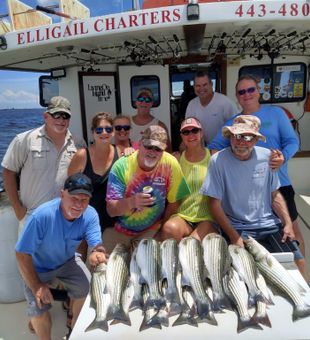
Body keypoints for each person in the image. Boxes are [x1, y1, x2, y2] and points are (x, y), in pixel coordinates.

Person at [208, 74, 306, 260]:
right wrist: (221, 165)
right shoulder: (233, 123)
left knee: (293, 233)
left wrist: (283, 157)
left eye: (251, 89)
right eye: (241, 91)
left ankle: (304, 282)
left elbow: (292, 141)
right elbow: (213, 148)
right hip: (251, 188)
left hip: (280, 184)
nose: (247, 94)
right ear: (237, 97)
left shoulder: (276, 113)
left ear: (259, 91)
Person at [201, 115, 308, 282]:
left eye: (248, 136)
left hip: (268, 224)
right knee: (240, 272)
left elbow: (275, 195)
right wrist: (234, 236)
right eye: (236, 135)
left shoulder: (268, 158)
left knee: (296, 258)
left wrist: (287, 223)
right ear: (230, 137)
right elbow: (214, 203)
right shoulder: (217, 161)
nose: (241, 141)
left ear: (256, 139)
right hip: (237, 226)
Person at [15, 173, 108, 339]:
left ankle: (74, 333)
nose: (79, 204)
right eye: (74, 198)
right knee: (38, 307)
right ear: (62, 194)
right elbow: (21, 254)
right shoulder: (42, 216)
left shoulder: (90, 215)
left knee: (87, 287)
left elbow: (96, 244)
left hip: (67, 261)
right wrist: (37, 285)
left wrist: (97, 252)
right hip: (37, 266)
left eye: (84, 200)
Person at [105, 125, 190, 253]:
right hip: (120, 230)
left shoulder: (171, 164)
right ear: (139, 144)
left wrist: (161, 232)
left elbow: (174, 203)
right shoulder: (121, 166)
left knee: (149, 268)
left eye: (157, 149)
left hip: (152, 230)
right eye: (148, 146)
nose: (152, 152)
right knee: (99, 263)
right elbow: (111, 209)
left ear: (164, 150)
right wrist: (131, 202)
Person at [1, 96, 76, 232]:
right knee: (28, 254)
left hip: (65, 219)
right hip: (32, 218)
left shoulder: (77, 143)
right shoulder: (24, 140)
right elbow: (8, 172)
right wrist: (18, 209)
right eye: (56, 115)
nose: (61, 120)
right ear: (46, 116)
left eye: (65, 116)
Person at [157, 117, 216, 242]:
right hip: (183, 217)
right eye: (186, 132)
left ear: (201, 133)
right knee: (168, 229)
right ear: (182, 136)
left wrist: (269, 159)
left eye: (195, 130)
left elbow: (238, 155)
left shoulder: (213, 155)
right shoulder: (176, 159)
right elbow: (149, 157)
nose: (191, 135)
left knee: (190, 244)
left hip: (208, 219)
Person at [185, 71, 238, 144]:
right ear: (194, 87)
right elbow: (188, 129)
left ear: (211, 84)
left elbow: (237, 127)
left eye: (205, 85)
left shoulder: (225, 103)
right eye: (198, 86)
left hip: (224, 147)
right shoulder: (191, 104)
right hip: (201, 147)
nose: (201, 89)